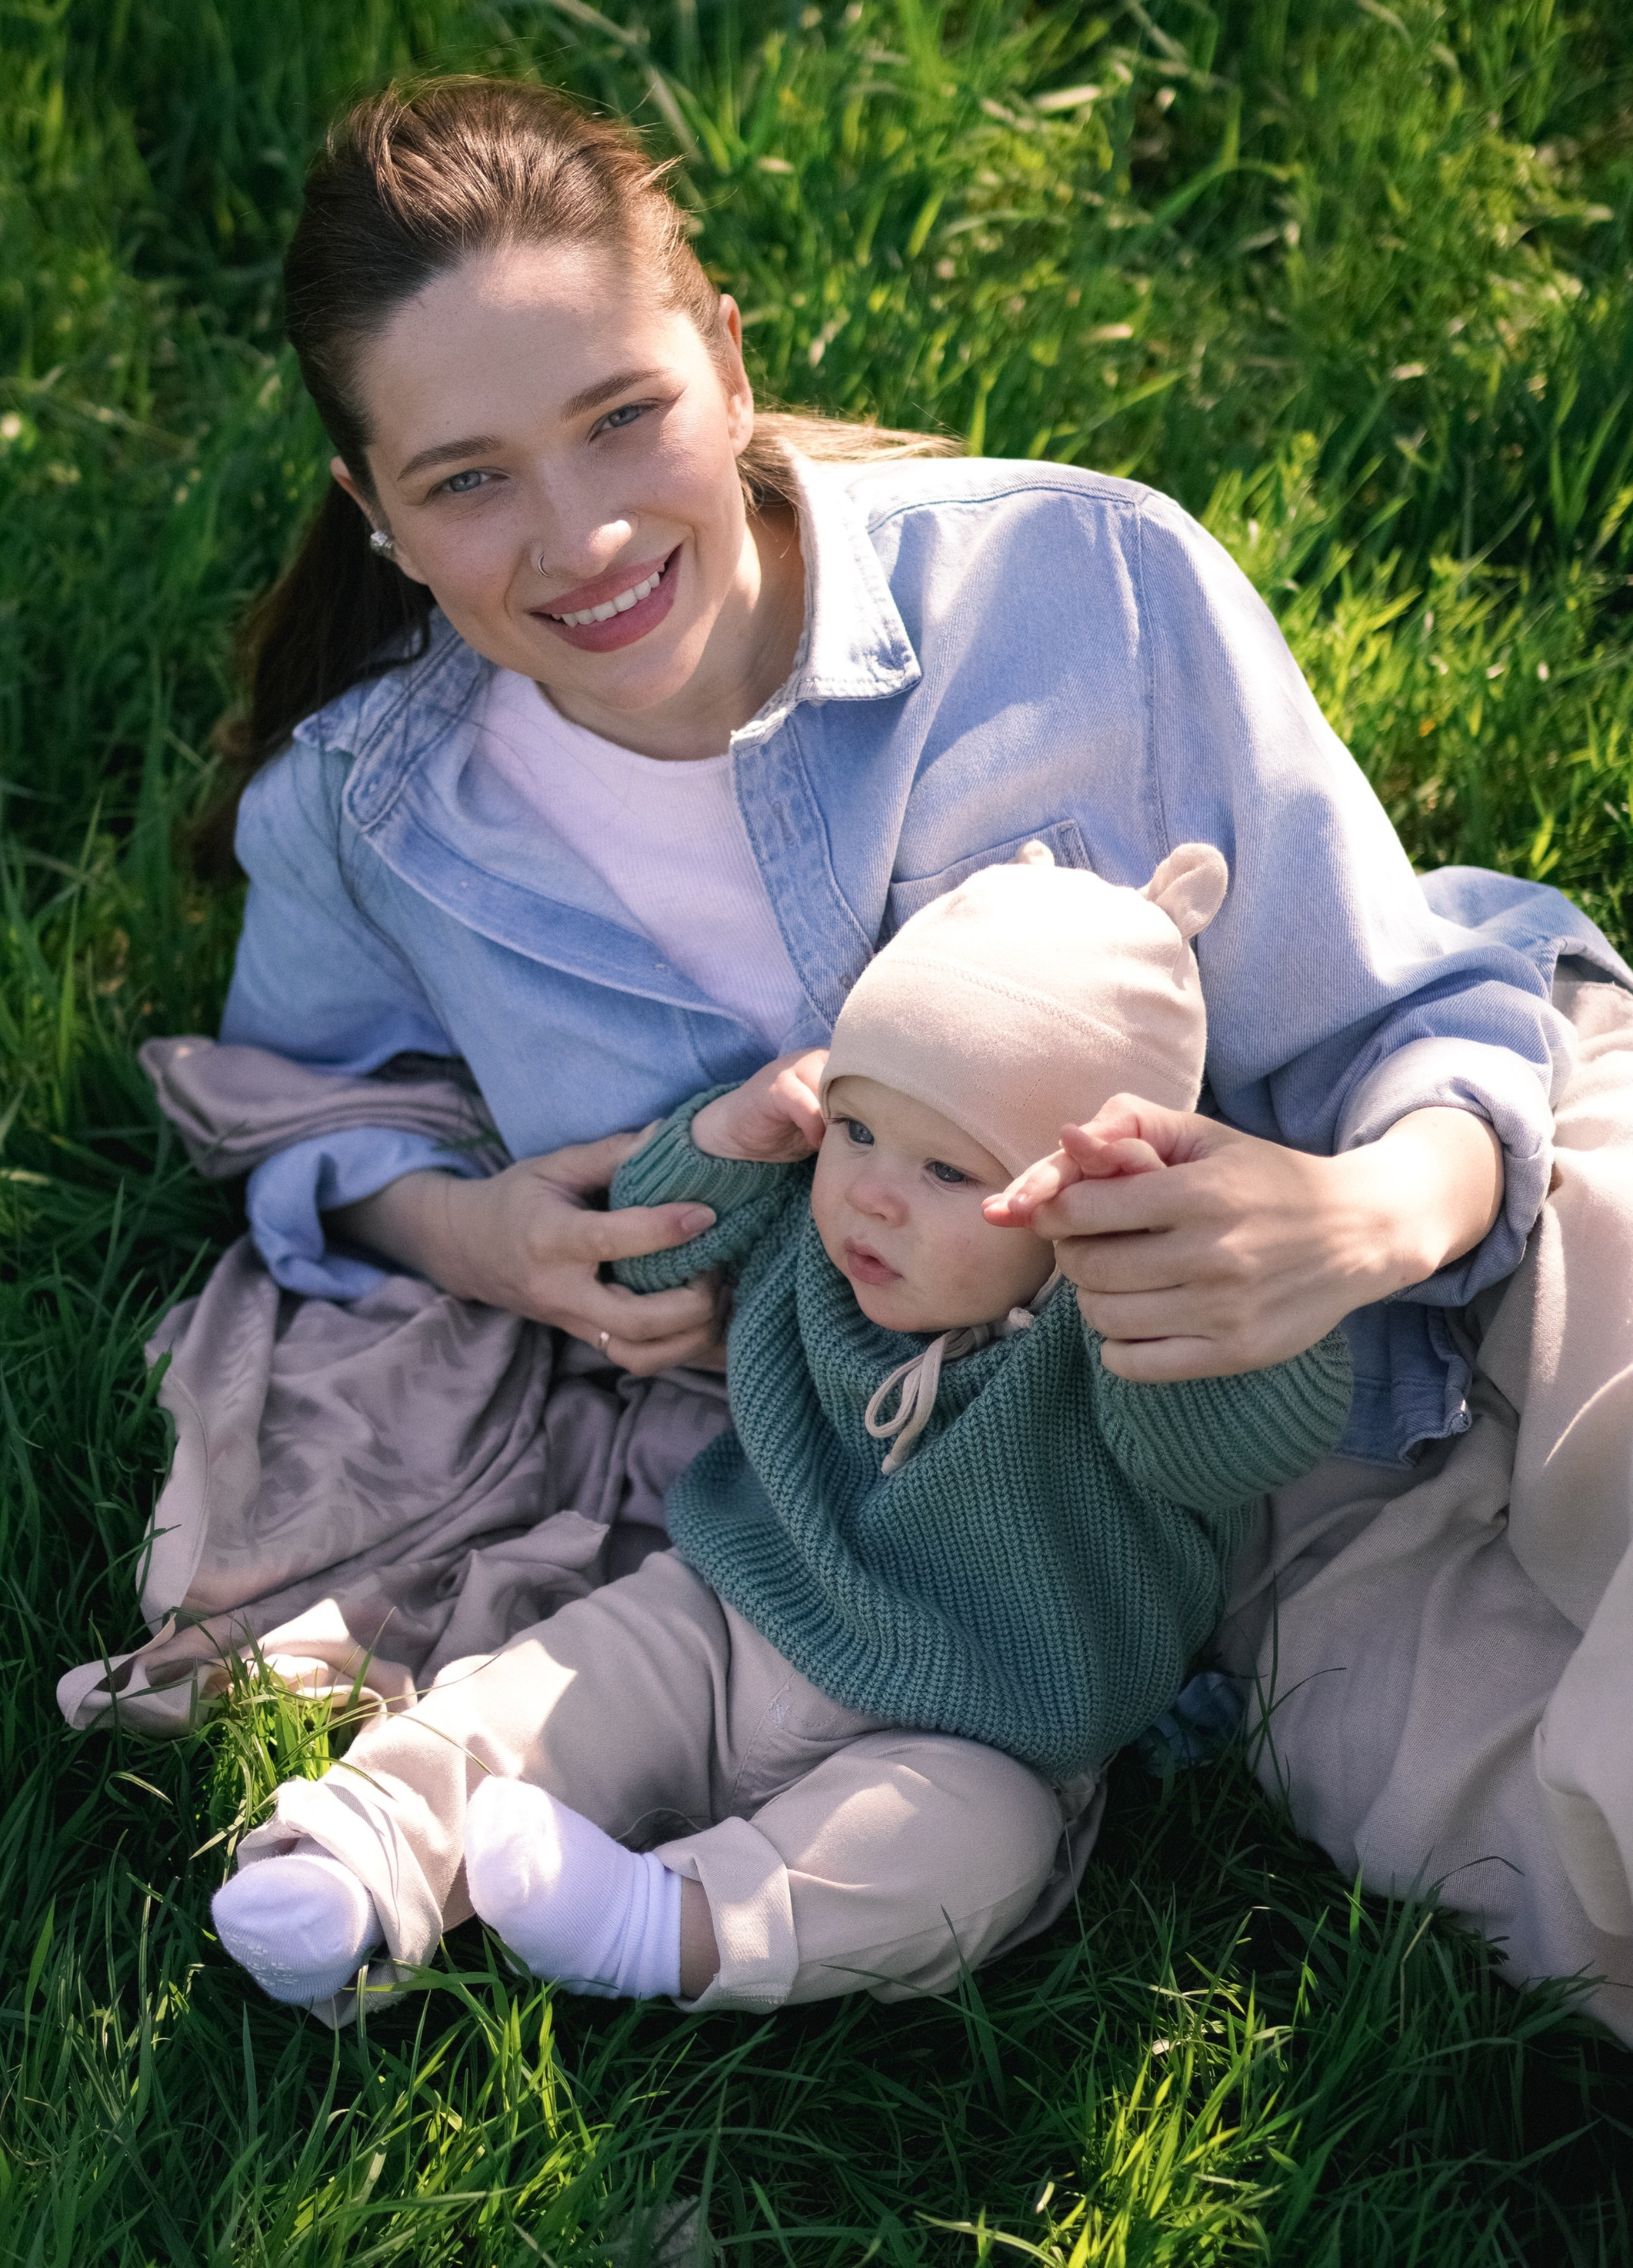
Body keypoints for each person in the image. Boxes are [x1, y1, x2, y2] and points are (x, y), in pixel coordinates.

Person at [197, 72, 1633, 2033]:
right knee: (1568, 1877)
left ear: (723, 358)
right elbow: (305, 1104)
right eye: (466, 480)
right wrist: (476, 1237)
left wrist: (1366, 1218)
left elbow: (1404, 995)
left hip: (1486, 1167)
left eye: (621, 416)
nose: (583, 532)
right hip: (1174, 1511)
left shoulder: (1076, 584)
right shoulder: (374, 818)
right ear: (372, 509)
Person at [209, 841, 1357, 2013]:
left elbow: (1232, 1451)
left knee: (970, 1850)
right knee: (556, 1687)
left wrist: (1171, 1293)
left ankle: (660, 1926)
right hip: (732, 1615)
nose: (871, 1194)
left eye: (948, 1171)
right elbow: (647, 1260)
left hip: (978, 1726)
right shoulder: (820, 1239)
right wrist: (724, 1142)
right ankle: (358, 1854)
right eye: (856, 1130)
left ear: (1079, 1205)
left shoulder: (1107, 1327)